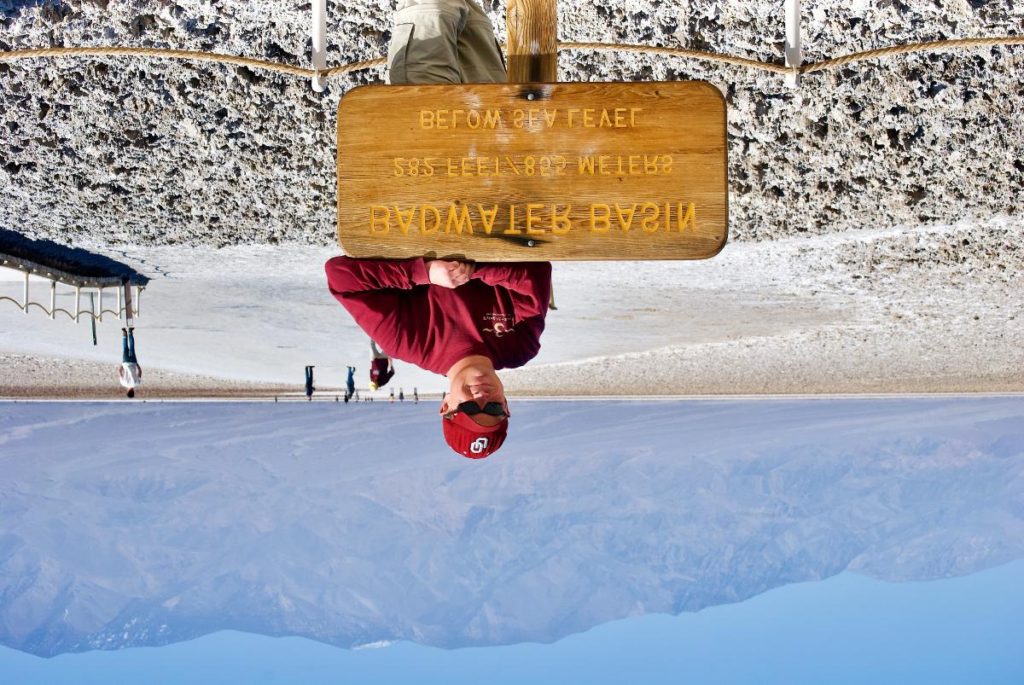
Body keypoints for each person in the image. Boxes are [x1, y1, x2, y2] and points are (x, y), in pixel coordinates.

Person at [325, 258, 551, 459]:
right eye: (493, 409)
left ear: (445, 406)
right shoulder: (521, 347)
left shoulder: (408, 343)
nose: (482, 397)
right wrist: (470, 270)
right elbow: (537, 270)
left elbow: (341, 276)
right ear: (506, 406)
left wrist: (424, 272)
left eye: (470, 409)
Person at [118, 327, 142, 398]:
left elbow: (140, 372)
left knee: (132, 347)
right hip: (125, 362)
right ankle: (124, 333)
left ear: (133, 392)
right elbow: (119, 372)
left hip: (133, 362)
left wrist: (137, 364)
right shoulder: (123, 383)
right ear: (127, 392)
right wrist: (122, 365)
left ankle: (130, 332)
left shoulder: (137, 383)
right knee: (125, 348)